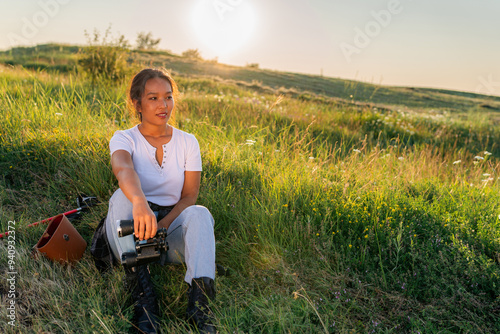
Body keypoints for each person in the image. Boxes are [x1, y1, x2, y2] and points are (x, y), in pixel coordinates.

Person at [103, 68, 216, 334]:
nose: (163, 105)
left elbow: (189, 196)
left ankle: (200, 308)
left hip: (168, 230)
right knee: (122, 197)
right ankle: (144, 304)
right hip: (127, 234)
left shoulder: (189, 142)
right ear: (137, 103)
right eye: (153, 98)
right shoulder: (124, 137)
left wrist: (160, 227)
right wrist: (140, 203)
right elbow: (123, 170)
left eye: (168, 97)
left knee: (200, 213)